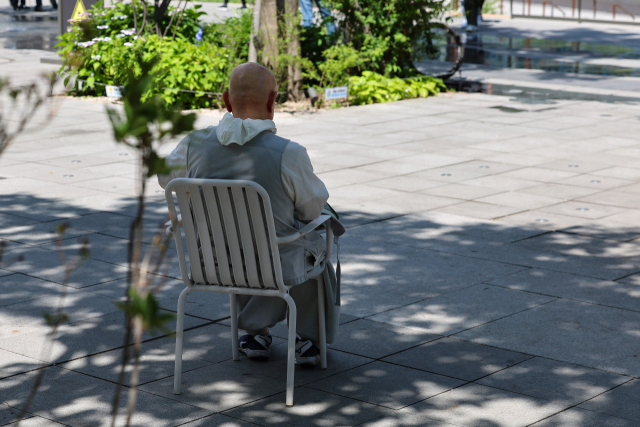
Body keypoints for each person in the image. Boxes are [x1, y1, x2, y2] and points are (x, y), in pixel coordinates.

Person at [158, 63, 341, 366]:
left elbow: (168, 181)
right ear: (272, 101)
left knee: (238, 237)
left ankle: (256, 333)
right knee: (310, 246)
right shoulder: (289, 153)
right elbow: (310, 211)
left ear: (227, 101)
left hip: (212, 263)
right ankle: (309, 341)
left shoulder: (192, 144)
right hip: (276, 267)